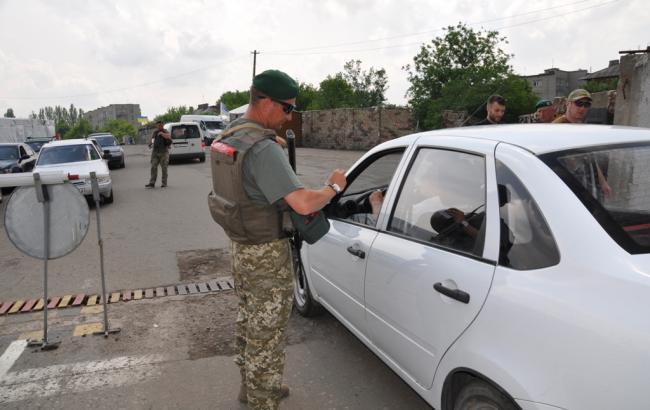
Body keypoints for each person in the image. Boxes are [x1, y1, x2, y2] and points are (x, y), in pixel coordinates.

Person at [208, 69, 347, 410]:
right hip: (266, 253)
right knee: (267, 333)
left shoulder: (234, 132)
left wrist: (274, 144)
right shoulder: (263, 149)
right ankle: (262, 399)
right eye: (287, 108)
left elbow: (248, 163)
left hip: (241, 245)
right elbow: (301, 202)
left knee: (248, 318)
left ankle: (249, 386)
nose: (289, 116)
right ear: (265, 101)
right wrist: (333, 187)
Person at [145, 121, 172, 188]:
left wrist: (162, 134)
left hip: (164, 152)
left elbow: (169, 137)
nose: (159, 126)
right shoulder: (155, 132)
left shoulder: (165, 131)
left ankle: (164, 183)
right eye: (158, 125)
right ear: (157, 126)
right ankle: (152, 183)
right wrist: (150, 143)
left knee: (164, 168)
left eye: (160, 125)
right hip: (155, 152)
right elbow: (153, 139)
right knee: (153, 167)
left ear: (162, 125)